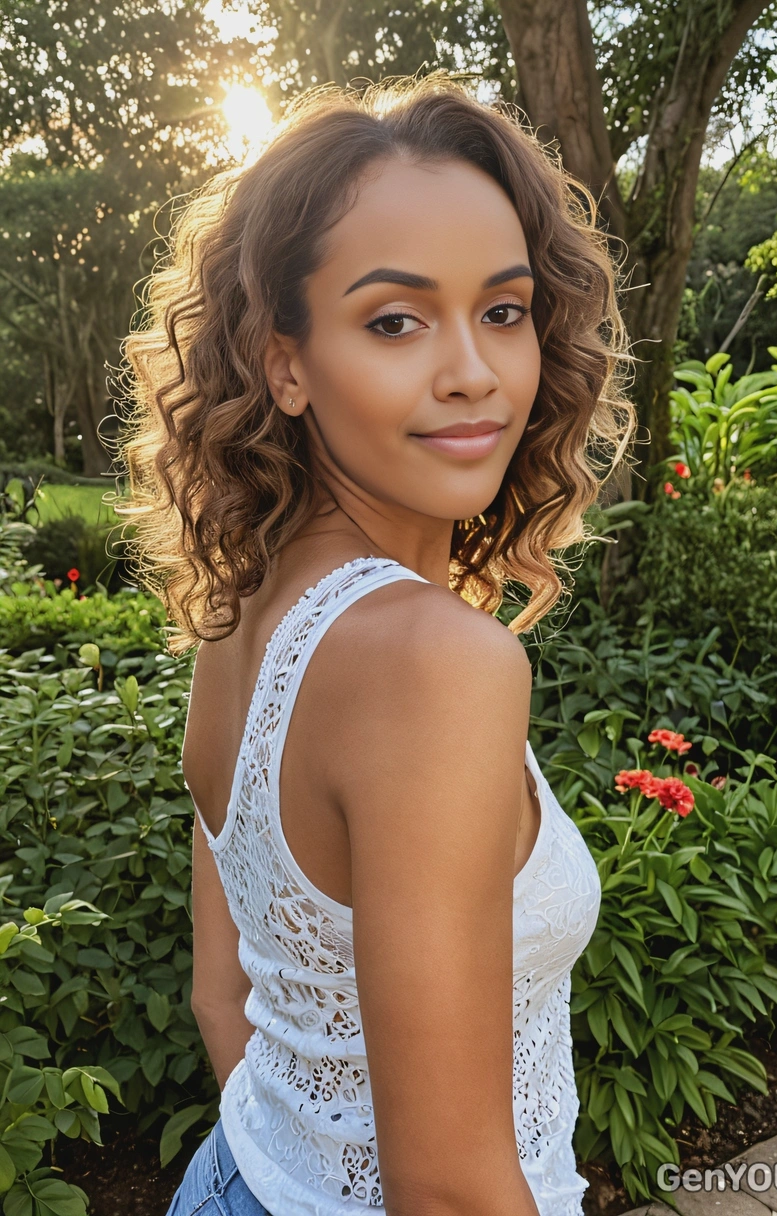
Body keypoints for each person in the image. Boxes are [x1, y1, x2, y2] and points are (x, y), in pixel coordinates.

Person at [115, 69, 635, 1216]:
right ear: (283, 362)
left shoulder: (239, 611)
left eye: (502, 311)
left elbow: (224, 1001)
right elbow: (447, 1190)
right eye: (394, 320)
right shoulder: (430, 661)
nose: (472, 371)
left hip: (236, 1175)